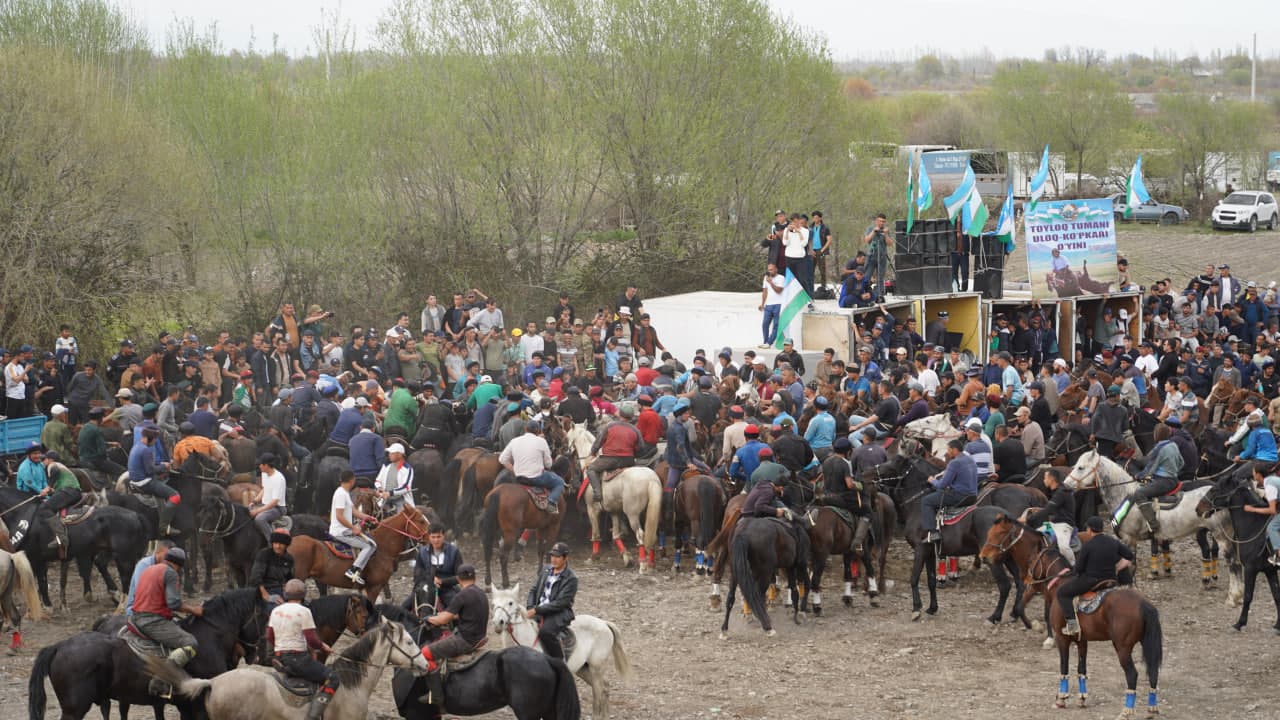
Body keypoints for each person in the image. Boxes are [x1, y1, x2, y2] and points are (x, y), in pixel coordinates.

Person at [418, 562, 490, 706]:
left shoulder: (461, 595)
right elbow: (460, 614)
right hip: (479, 636)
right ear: (474, 577)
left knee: (424, 653)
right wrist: (441, 616)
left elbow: (443, 619)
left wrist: (427, 618)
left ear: (458, 579)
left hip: (464, 640)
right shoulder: (480, 593)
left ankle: (437, 696)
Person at [268, 579, 338, 720]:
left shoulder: (276, 611)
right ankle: (313, 716)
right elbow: (311, 639)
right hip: (298, 659)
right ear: (303, 594)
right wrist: (323, 646)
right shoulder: (304, 611)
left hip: (279, 657)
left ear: (285, 594)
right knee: (333, 677)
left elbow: (270, 636)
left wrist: (280, 647)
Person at [1057, 516, 1135, 637]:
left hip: (1092, 581)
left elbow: (1079, 569)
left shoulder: (1088, 545)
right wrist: (1118, 567)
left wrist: (1070, 571)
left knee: (1062, 593)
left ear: (1089, 529)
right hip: (1111, 580)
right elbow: (1129, 555)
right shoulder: (1113, 542)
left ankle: (1072, 625)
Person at [130, 547, 203, 667]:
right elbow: (174, 603)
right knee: (190, 643)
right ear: (178, 565)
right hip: (152, 622)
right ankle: (167, 672)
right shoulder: (170, 573)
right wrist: (194, 610)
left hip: (135, 617)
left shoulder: (149, 569)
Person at [1118, 418, 1184, 533]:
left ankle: (1153, 524)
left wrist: (1138, 476)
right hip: (1174, 480)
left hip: (1163, 481)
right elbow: (1181, 463)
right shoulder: (1173, 445)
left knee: (1139, 494)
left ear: (1156, 435)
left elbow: (1149, 469)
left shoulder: (1158, 448)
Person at [498, 421, 565, 514]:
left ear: (525, 429)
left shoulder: (514, 441)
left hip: (519, 477)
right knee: (559, 482)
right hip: (537, 478)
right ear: (538, 431)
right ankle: (551, 502)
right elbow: (549, 465)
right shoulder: (541, 441)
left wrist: (514, 471)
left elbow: (502, 459)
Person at [525, 543, 577, 660]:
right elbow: (534, 590)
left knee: (546, 632)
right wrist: (530, 607)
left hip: (559, 613)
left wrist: (536, 610)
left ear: (565, 558)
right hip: (539, 608)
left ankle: (559, 662)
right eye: (552, 556)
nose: (554, 559)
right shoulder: (546, 569)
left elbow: (560, 603)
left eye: (558, 556)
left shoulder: (571, 578)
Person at [585, 405, 645, 506]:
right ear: (631, 417)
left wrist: (593, 453)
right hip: (628, 461)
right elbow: (641, 448)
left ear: (620, 415)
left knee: (591, 469)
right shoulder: (636, 430)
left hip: (609, 459)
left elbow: (599, 442)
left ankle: (597, 493)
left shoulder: (609, 426)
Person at [818, 437, 871, 550]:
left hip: (826, 497)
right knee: (866, 511)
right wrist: (861, 486)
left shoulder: (826, 462)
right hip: (841, 499)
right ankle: (857, 542)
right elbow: (849, 485)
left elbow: (823, 480)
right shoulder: (845, 464)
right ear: (848, 451)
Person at [921, 439, 978, 543]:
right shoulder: (970, 459)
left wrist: (932, 480)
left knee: (926, 501)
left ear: (954, 449)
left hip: (959, 496)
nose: (947, 452)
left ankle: (933, 533)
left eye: (948, 450)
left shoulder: (954, 463)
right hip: (973, 496)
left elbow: (942, 485)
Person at [128, 428, 180, 537]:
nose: (155, 442)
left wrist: (160, 465)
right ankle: (163, 527)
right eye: (154, 440)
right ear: (149, 439)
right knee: (175, 496)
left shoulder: (137, 446)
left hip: (134, 480)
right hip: (144, 482)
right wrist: (164, 466)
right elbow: (150, 470)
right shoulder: (146, 450)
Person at [329, 470, 379, 586]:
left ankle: (357, 571)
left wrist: (368, 517)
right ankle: (353, 570)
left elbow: (354, 511)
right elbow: (339, 516)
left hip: (344, 530)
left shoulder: (344, 493)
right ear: (352, 480)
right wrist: (353, 528)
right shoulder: (341, 494)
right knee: (370, 545)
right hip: (341, 532)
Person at [1023, 468, 1077, 564]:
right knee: (1036, 533)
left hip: (1064, 526)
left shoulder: (1061, 493)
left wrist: (1027, 519)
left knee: (1063, 547)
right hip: (1052, 524)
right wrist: (1041, 510)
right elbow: (1053, 509)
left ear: (1051, 479)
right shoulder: (1057, 491)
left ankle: (1073, 566)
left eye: (1045, 478)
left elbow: (1048, 510)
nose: (1044, 480)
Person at [406, 526, 464, 614]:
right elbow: (417, 574)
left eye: (438, 537)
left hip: (446, 588)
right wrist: (431, 580)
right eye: (433, 537)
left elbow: (460, 576)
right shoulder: (422, 552)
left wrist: (442, 582)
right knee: (403, 607)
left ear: (443, 536)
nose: (436, 540)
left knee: (458, 610)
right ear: (429, 537)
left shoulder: (454, 551)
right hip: (425, 588)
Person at [1243, 462, 1280, 566]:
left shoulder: (1269, 486)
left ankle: (1278, 556)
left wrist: (1253, 509)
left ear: (1259, 475)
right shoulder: (1271, 479)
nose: (1253, 475)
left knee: (1272, 527)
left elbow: (1272, 510)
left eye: (1254, 473)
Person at [249, 529, 296, 607]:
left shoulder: (289, 559)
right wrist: (266, 596)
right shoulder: (264, 555)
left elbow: (290, 578)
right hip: (264, 589)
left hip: (281, 590)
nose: (278, 546)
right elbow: (255, 578)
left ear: (286, 545)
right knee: (274, 607)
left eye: (281, 544)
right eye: (275, 543)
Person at [251, 454, 287, 542]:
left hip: (277, 508)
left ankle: (272, 541)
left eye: (261, 464)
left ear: (266, 465)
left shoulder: (278, 478)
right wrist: (254, 501)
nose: (259, 466)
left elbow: (274, 502)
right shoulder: (264, 474)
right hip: (265, 505)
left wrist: (258, 510)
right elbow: (264, 489)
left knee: (260, 519)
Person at [374, 443, 415, 515]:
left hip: (401, 500)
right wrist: (379, 488)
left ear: (400, 455)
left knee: (403, 518)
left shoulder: (407, 469)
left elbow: (406, 487)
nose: (389, 455)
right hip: (384, 499)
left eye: (392, 453)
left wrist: (389, 493)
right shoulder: (386, 466)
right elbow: (377, 481)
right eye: (389, 453)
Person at [1090, 386, 1129, 459]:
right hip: (1116, 440)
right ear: (1117, 396)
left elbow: (1095, 420)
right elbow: (1126, 427)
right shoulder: (1124, 410)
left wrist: (1093, 433)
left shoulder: (1101, 406)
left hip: (1101, 438)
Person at [759, 264, 785, 349]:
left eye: (771, 270)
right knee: (765, 324)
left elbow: (779, 290)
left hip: (778, 304)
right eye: (769, 270)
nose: (770, 271)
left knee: (776, 325)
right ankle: (765, 342)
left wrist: (771, 282)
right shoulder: (766, 278)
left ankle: (769, 342)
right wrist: (762, 304)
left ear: (776, 269)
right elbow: (765, 291)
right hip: (768, 305)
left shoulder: (781, 278)